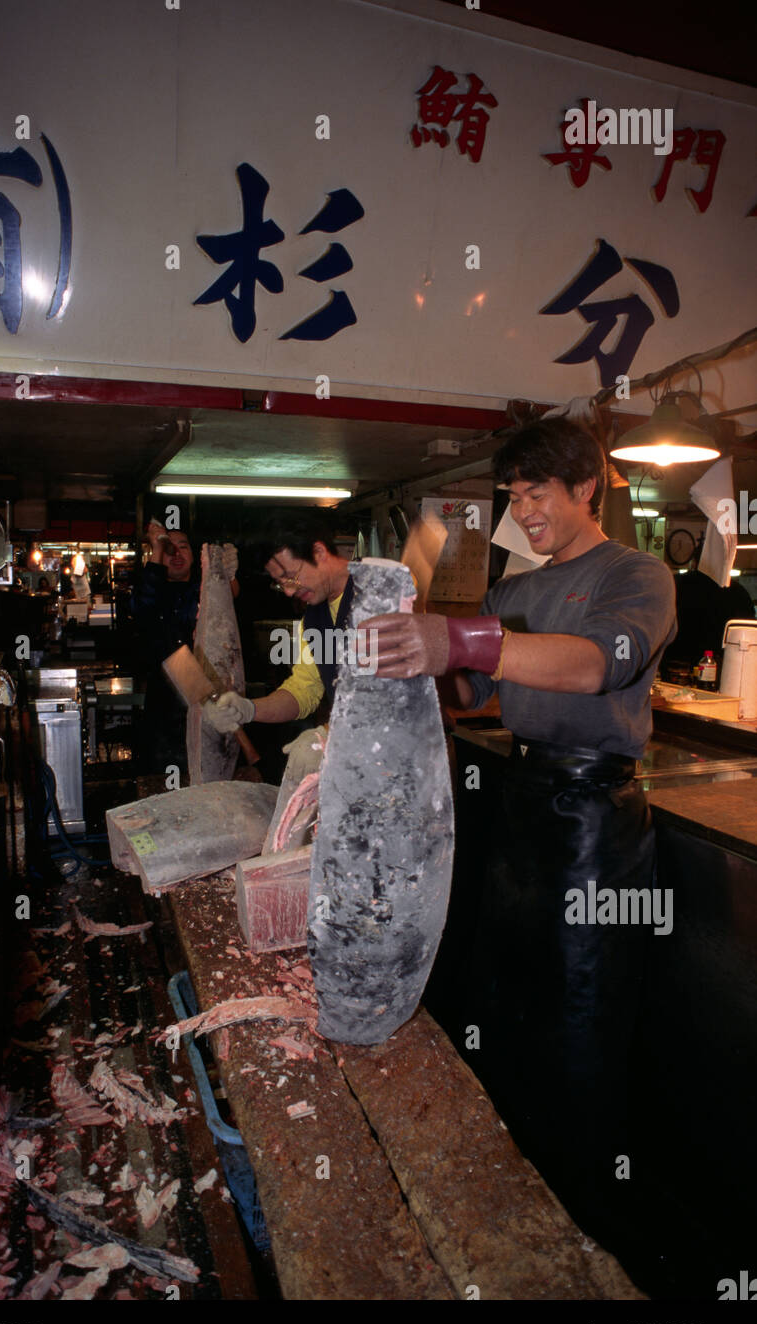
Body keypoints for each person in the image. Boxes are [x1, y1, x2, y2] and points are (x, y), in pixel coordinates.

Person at [361, 417, 677, 1247]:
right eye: (514, 495)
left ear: (587, 488)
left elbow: (594, 664)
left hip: (595, 824)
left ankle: (589, 1220)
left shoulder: (636, 574)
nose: (525, 509)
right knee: (508, 999)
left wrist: (463, 638)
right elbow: (471, 696)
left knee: (582, 1014)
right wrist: (420, 655)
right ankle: (508, 1199)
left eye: (540, 492)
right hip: (520, 802)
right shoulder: (514, 587)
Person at [204, 511, 351, 734]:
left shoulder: (378, 595)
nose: (290, 591)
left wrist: (327, 735)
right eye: (281, 584)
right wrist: (249, 709)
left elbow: (393, 695)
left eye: (291, 577)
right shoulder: (313, 620)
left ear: (319, 552)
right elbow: (304, 690)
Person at [132, 522, 202, 773]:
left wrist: (226, 571)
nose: (177, 554)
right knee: (163, 774)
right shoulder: (152, 592)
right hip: (163, 703)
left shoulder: (203, 590)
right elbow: (142, 605)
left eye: (184, 547)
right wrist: (157, 549)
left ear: (194, 556)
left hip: (207, 697)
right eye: (169, 549)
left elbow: (232, 593)